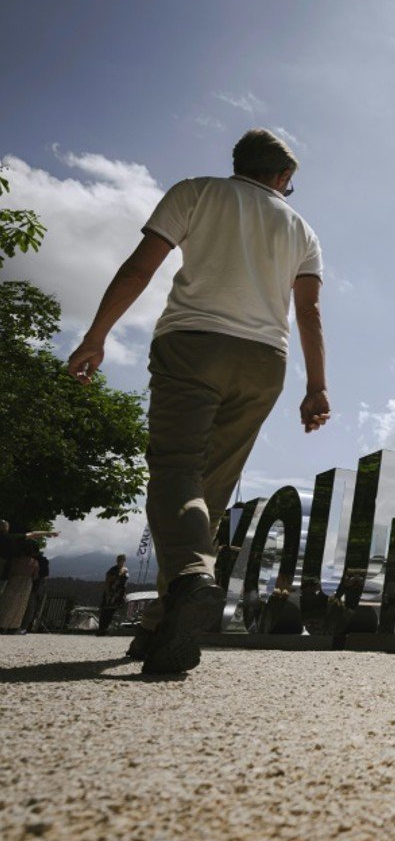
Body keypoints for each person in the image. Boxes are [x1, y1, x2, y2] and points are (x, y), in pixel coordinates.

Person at [67, 129, 331, 674]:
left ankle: (191, 577)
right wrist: (316, 386)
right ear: (283, 178)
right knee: (208, 493)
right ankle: (162, 625)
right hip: (265, 362)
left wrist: (97, 336)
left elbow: (139, 268)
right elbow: (308, 312)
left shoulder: (195, 192)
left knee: (174, 471)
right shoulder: (301, 228)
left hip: (193, 346)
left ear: (239, 164)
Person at [97, 554, 130, 635]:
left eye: (122, 560)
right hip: (111, 593)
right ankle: (101, 629)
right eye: (119, 560)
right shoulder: (112, 570)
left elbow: (124, 582)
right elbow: (107, 582)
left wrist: (123, 593)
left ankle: (106, 628)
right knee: (106, 611)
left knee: (112, 612)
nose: (121, 561)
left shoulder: (125, 569)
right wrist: (108, 593)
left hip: (120, 593)